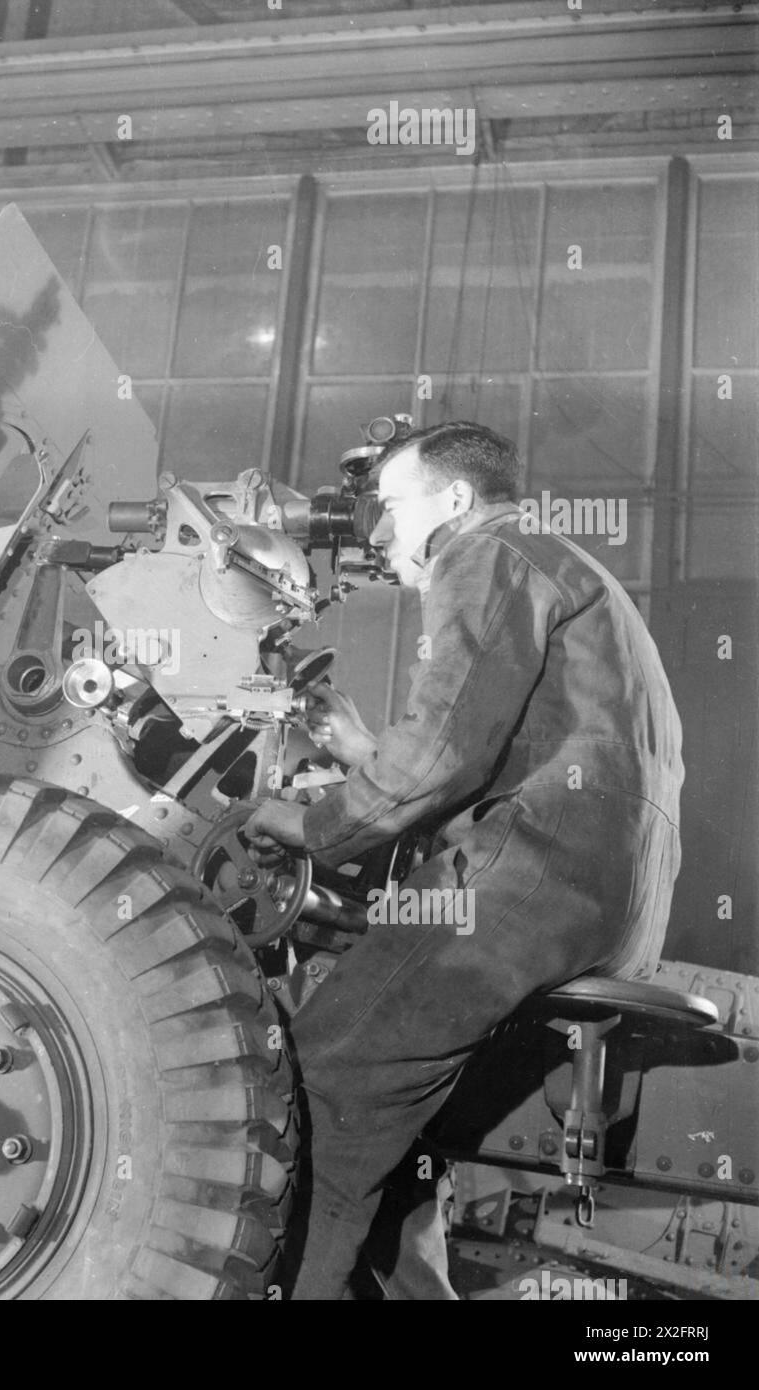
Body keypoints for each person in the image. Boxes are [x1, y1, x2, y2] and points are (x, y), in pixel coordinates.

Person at [244, 421, 683, 1299]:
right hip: (610, 890)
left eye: (392, 507)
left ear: (452, 500)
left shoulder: (485, 555)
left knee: (319, 1086)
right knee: (402, 1138)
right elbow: (499, 742)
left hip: (534, 873)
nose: (376, 534)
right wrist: (367, 753)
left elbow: (445, 754)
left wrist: (305, 823)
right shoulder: (563, 565)